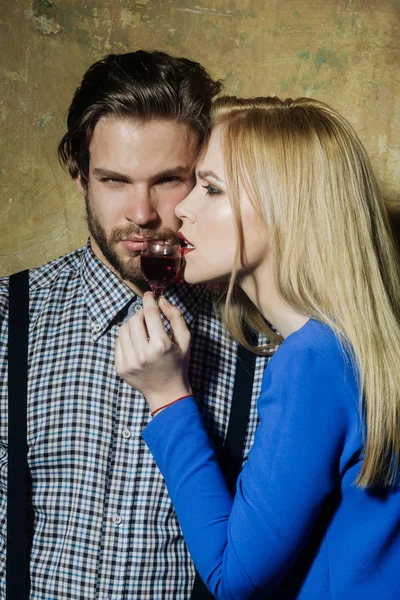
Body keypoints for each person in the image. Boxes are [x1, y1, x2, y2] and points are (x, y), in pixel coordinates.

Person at [0, 54, 273, 599]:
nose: (142, 212)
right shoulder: (9, 317)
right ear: (81, 177)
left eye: (169, 180)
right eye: (114, 180)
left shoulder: (263, 341)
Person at [116, 96, 400, 599]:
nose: (181, 207)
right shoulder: (354, 345)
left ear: (284, 208)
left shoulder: (312, 361)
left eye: (211, 188)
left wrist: (166, 397)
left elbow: (235, 579)